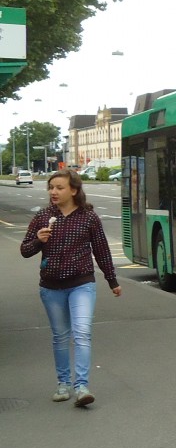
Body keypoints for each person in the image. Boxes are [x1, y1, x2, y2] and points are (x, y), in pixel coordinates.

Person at [19, 169, 122, 407]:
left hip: (81, 283)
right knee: (60, 336)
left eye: (59, 187)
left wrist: (112, 281)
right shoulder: (43, 217)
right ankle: (63, 384)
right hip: (51, 286)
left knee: (82, 332)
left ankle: (82, 387)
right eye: (51, 187)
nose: (53, 192)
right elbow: (25, 250)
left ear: (73, 190)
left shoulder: (88, 217)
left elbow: (102, 250)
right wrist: (39, 240)